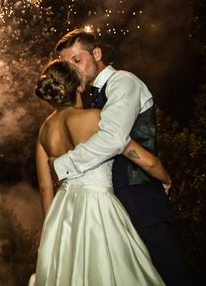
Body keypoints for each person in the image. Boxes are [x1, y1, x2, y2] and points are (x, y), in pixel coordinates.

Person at [51, 29, 192, 285]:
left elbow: (114, 139)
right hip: (114, 201)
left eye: (77, 60)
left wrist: (62, 166)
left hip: (140, 197)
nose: (72, 69)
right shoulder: (91, 101)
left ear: (97, 54)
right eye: (66, 64)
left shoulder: (122, 82)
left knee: (169, 274)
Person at [34, 60, 166, 285]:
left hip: (62, 213)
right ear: (78, 87)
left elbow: (46, 188)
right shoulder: (94, 118)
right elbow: (142, 158)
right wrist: (165, 177)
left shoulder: (44, 131)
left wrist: (51, 232)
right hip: (97, 207)